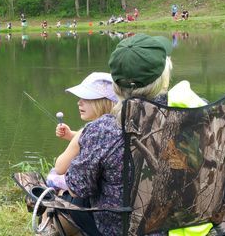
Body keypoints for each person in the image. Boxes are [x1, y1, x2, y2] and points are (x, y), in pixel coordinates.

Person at [63, 34, 173, 235]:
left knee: (73, 200)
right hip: (177, 224)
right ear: (162, 78)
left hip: (120, 230)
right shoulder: (186, 115)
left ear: (116, 85)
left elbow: (76, 187)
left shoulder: (103, 130)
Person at [46, 72, 118, 191]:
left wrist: (78, 137)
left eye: (86, 98)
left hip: (99, 200)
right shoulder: (120, 123)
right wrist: (71, 135)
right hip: (118, 194)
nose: (79, 102)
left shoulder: (89, 131)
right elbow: (102, 143)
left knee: (52, 176)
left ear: (104, 102)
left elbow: (60, 167)